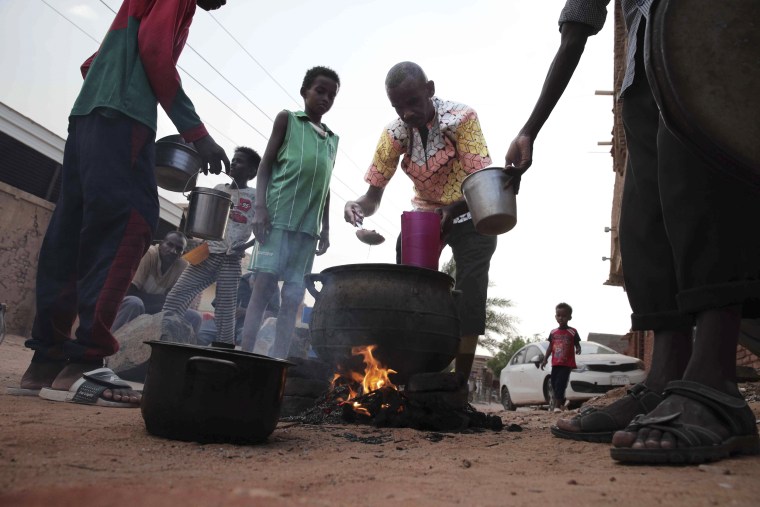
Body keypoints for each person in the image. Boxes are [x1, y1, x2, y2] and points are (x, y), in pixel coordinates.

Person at [504, 1, 760, 464]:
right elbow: (579, 23)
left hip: (708, 27)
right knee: (645, 215)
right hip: (643, 67)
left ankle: (715, 380)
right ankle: (665, 378)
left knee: (700, 181)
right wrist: (531, 128)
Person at [18, 0, 230, 407]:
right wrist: (196, 133)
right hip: (124, 117)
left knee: (71, 234)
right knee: (129, 225)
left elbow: (94, 62)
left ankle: (46, 362)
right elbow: (153, 51)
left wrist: (113, 86)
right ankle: (85, 364)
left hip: (87, 116)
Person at [343, 61, 497, 381]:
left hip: (469, 208)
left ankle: (459, 381)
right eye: (398, 106)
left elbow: (483, 182)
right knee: (411, 289)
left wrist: (451, 211)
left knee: (470, 293)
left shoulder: (461, 119)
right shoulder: (394, 133)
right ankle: (412, 370)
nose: (407, 113)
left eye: (413, 102)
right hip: (426, 213)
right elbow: (372, 197)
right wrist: (356, 205)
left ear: (430, 90)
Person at [239, 66, 340, 359]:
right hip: (277, 218)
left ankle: (278, 360)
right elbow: (265, 165)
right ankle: (245, 354)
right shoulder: (288, 120)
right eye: (320, 91)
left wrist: (327, 227)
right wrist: (259, 209)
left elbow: (326, 184)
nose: (325, 98)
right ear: (304, 91)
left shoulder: (332, 139)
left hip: (308, 229)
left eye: (331, 95)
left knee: (294, 295)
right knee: (264, 286)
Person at [162, 146, 260, 346]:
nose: (233, 163)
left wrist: (246, 245)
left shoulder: (255, 196)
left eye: (239, 161)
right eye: (233, 160)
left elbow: (263, 229)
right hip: (207, 253)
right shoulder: (219, 189)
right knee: (176, 296)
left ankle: (223, 348)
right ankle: (164, 335)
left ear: (251, 172)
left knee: (225, 311)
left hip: (231, 258)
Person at [111, 231, 201, 333]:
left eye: (179, 249)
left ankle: (173, 348)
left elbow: (174, 302)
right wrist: (163, 300)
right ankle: (111, 343)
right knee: (135, 302)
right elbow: (129, 292)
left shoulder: (182, 266)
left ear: (182, 253)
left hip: (157, 309)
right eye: (169, 245)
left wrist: (164, 301)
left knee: (194, 317)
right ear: (161, 244)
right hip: (130, 305)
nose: (173, 251)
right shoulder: (149, 254)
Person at [196, 271, 280, 347]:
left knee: (247, 338)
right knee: (202, 334)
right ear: (252, 278)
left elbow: (273, 314)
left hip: (249, 326)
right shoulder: (239, 280)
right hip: (224, 321)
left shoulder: (273, 287)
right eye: (255, 284)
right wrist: (229, 310)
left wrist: (246, 312)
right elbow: (218, 303)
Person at [540, 302, 581, 412]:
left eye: (564, 316)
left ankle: (557, 406)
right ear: (555, 317)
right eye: (559, 315)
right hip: (555, 363)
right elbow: (550, 347)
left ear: (569, 317)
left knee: (560, 383)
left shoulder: (572, 331)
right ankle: (562, 402)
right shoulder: (553, 332)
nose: (561, 318)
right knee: (554, 383)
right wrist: (545, 359)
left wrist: (578, 348)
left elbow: (577, 343)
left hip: (566, 364)